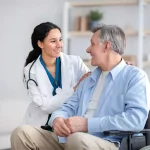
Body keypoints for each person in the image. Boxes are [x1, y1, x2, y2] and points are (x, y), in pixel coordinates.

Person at [11, 24, 150, 150]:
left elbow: (135, 120)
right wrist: (57, 119)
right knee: (21, 133)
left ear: (106, 46)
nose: (87, 49)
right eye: (53, 41)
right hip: (70, 137)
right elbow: (66, 107)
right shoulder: (89, 79)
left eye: (92, 44)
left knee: (77, 139)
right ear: (40, 44)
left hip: (107, 141)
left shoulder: (135, 76)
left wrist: (87, 124)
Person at [23, 22, 90, 127]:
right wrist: (75, 88)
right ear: (40, 44)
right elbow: (45, 106)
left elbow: (91, 84)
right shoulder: (30, 71)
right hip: (40, 125)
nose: (59, 45)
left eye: (60, 39)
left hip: (69, 122)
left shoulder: (75, 62)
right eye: (53, 41)